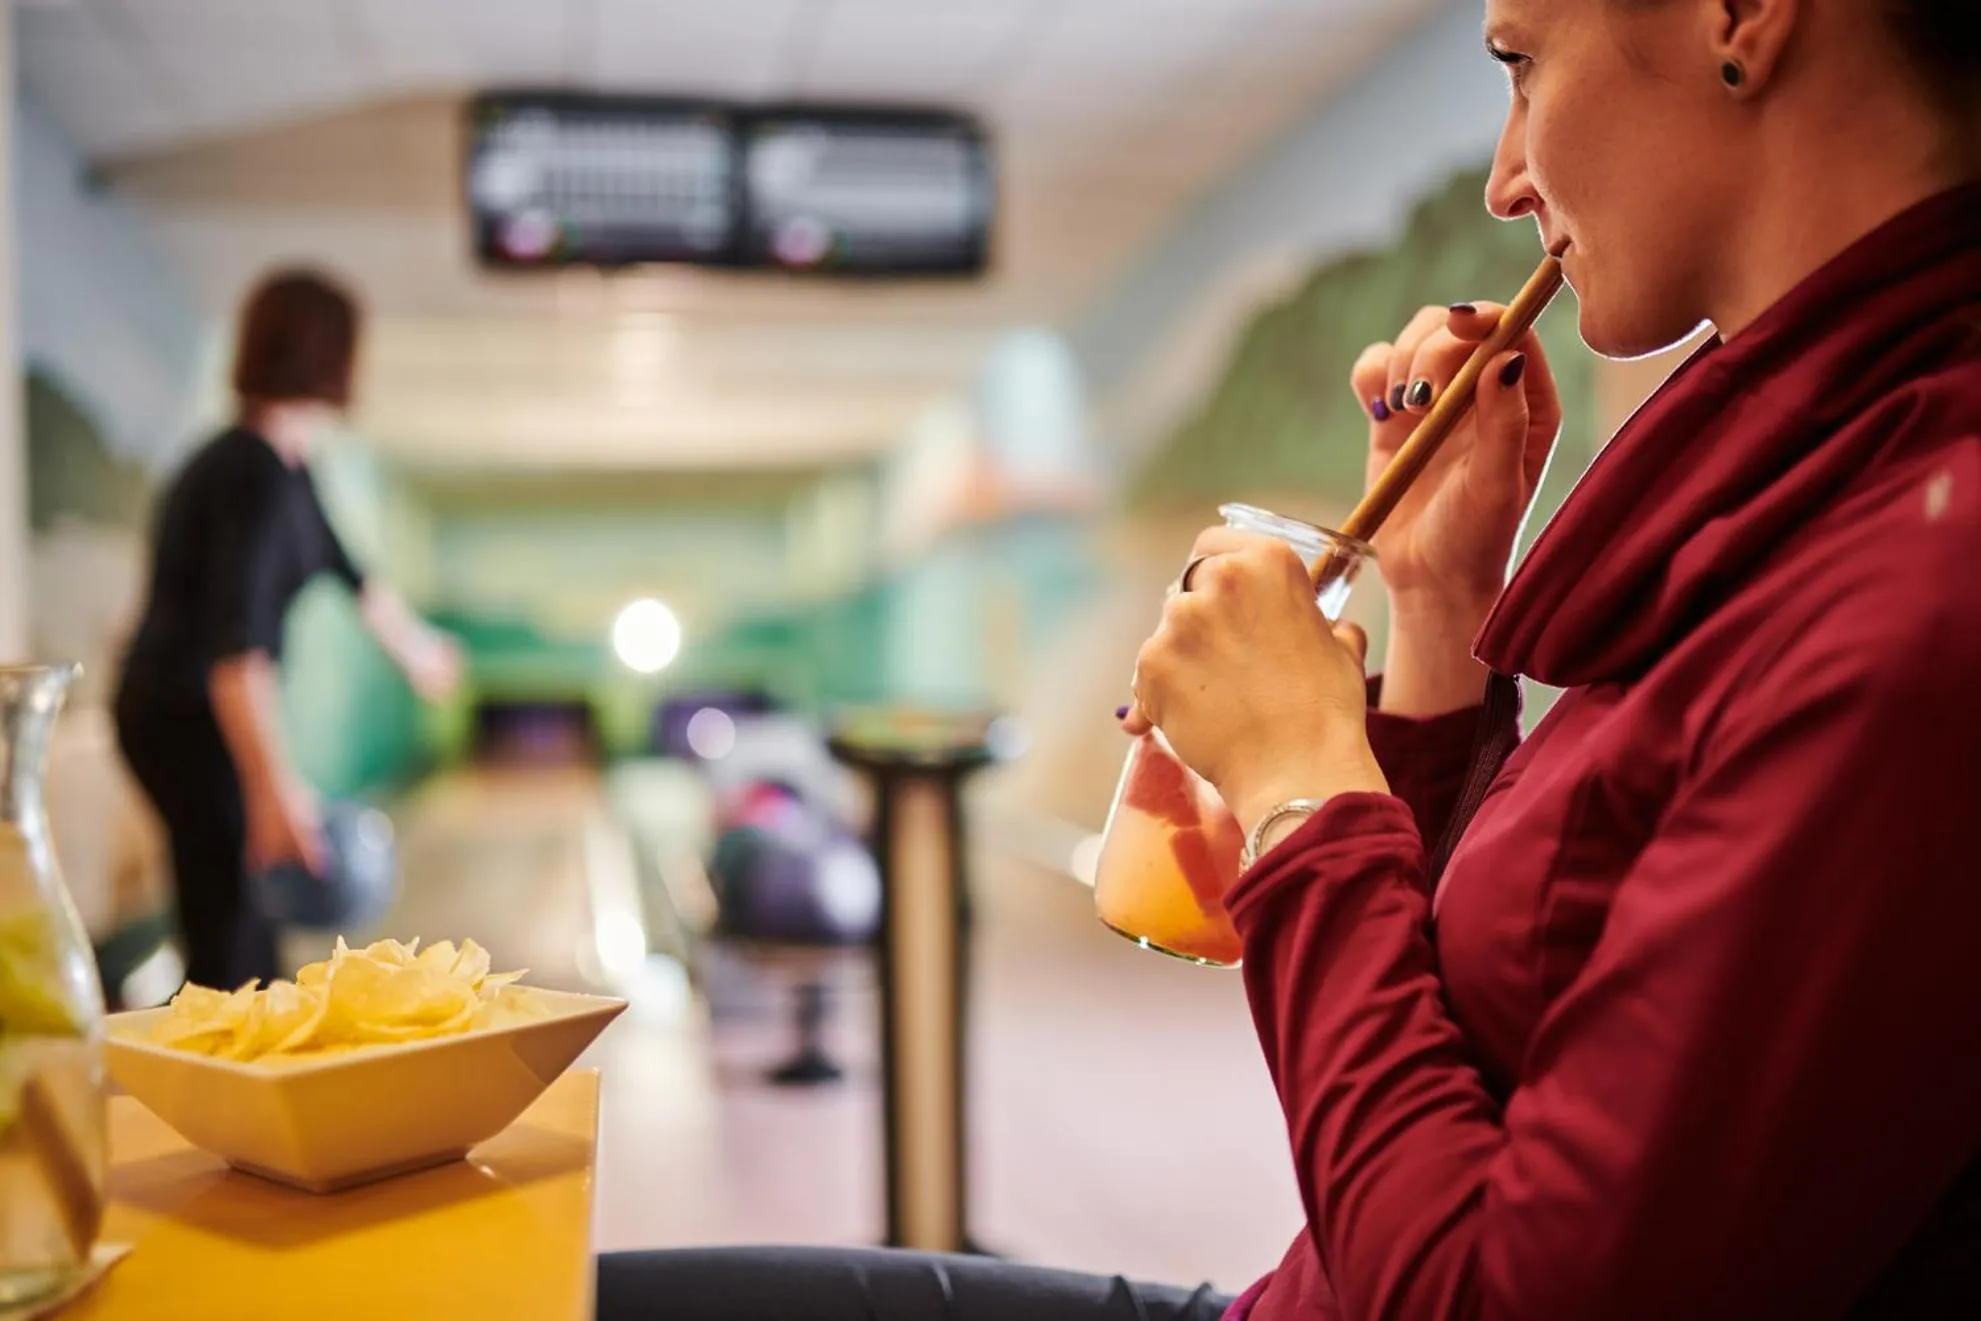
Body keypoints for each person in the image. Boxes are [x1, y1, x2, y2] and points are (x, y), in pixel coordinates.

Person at [595, 0, 1980, 1316]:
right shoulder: (1828, 482)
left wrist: (1301, 790)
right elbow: (1490, 1023)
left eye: (1518, 61)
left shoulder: (1910, 595)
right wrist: (1439, 608)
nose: (1507, 179)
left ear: (1737, 14)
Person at [115, 269, 460, 993]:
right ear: (333, 354)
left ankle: (250, 1061)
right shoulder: (252, 475)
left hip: (188, 706)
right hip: (187, 714)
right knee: (231, 912)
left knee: (244, 906)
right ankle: (226, 1087)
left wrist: (418, 650)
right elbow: (236, 654)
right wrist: (275, 789)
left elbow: (351, 571)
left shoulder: (286, 467)